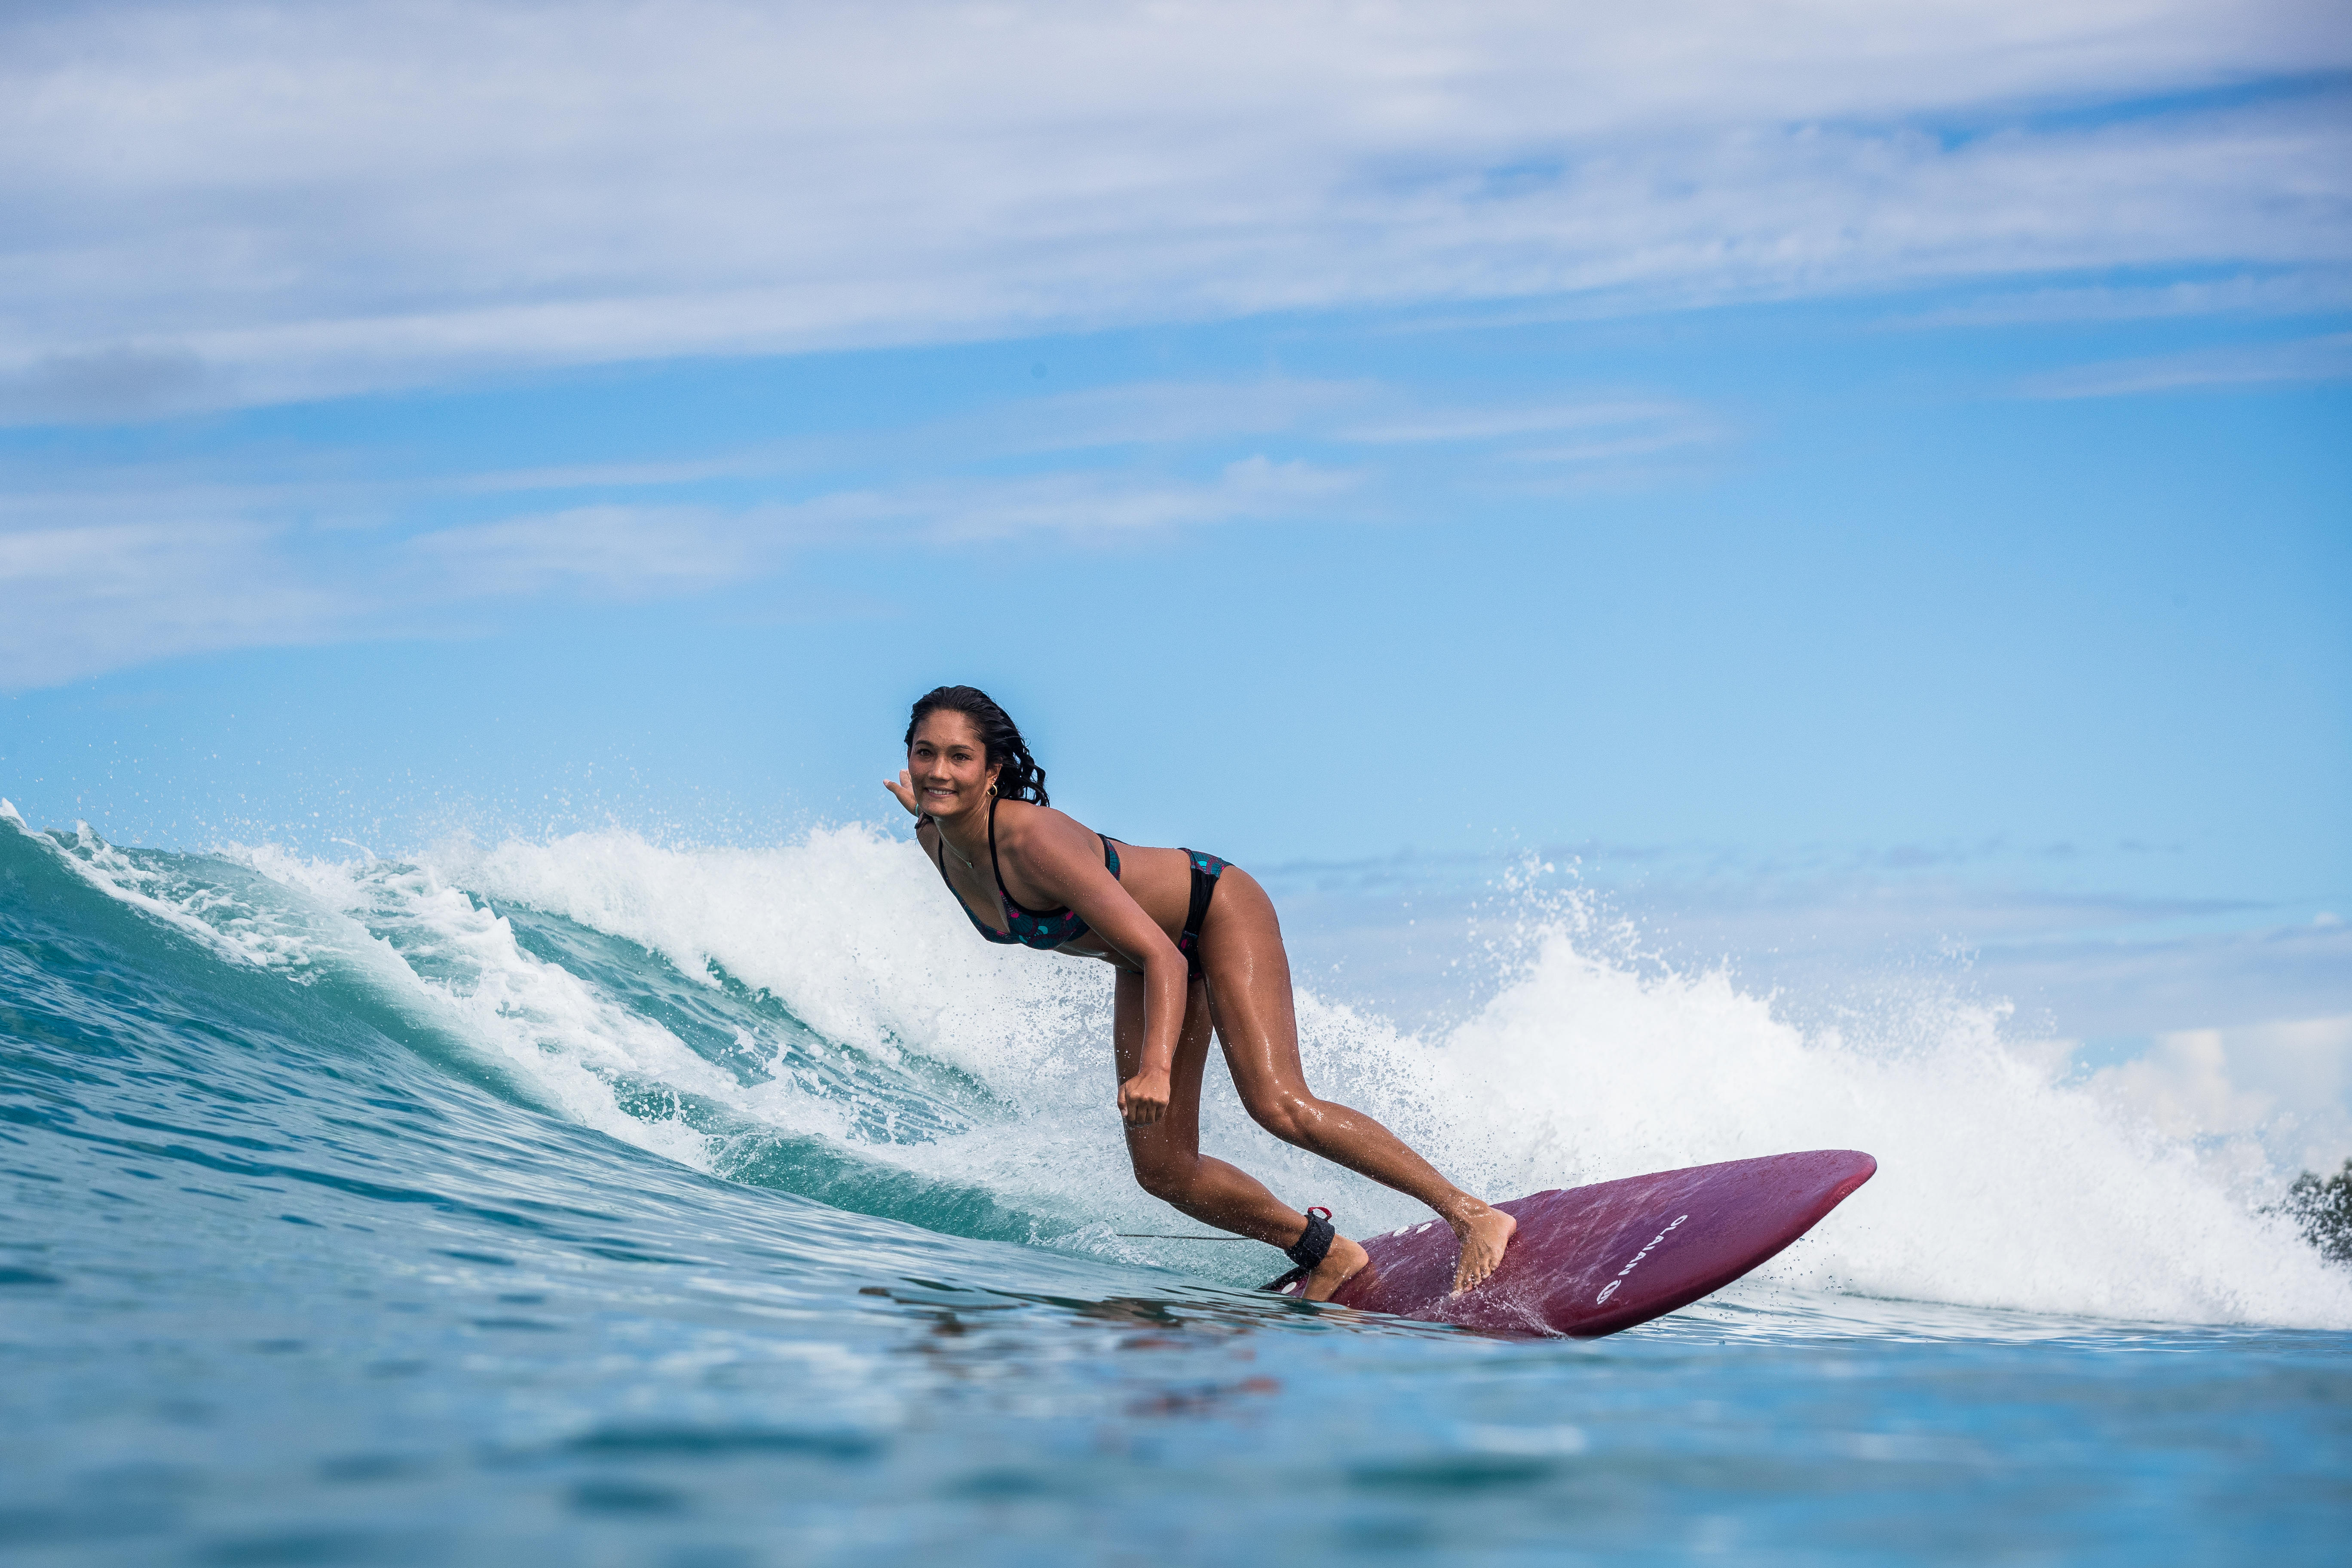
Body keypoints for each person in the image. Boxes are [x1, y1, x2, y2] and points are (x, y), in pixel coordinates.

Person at [885, 684, 1516, 1301]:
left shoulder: (1033, 840)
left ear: (993, 769)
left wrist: (1156, 1068)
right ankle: (1328, 1252)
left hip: (1212, 910)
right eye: (925, 753)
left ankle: (1470, 1214)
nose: (939, 770)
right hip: (1143, 960)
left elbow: (1162, 953)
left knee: (1279, 1104)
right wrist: (937, 807)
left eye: (959, 757)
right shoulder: (936, 840)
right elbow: (1143, 955)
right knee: (1162, 1170)